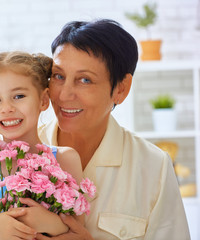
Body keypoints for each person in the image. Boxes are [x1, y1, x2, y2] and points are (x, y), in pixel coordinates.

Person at [37, 19, 191, 239]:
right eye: (59, 76)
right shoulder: (20, 150)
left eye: (85, 80)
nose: (63, 95)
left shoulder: (153, 167)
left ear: (121, 88)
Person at [0, 51, 89, 240]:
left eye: (18, 96)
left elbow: (79, 234)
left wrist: (50, 222)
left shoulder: (65, 159)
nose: (7, 108)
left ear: (43, 100)